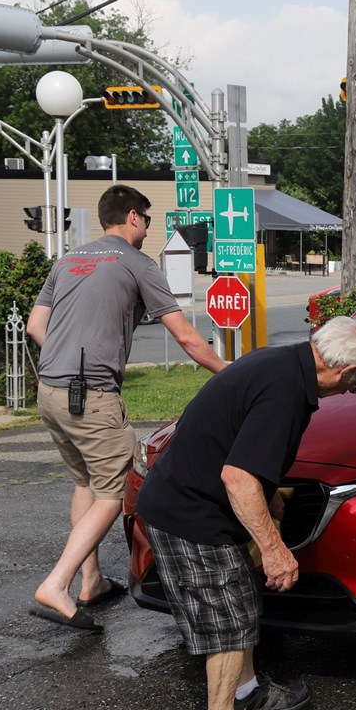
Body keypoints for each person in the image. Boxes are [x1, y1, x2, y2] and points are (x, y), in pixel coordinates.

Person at [134, 316, 356, 710]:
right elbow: (238, 476)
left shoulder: (284, 364)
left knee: (242, 600)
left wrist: (271, 508)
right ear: (346, 372)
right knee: (227, 620)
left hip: (196, 503)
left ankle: (248, 691)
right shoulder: (285, 393)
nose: (352, 392)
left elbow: (246, 456)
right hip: (189, 513)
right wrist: (275, 550)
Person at [28, 184, 226, 632]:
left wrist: (66, 356)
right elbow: (187, 337)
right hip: (90, 395)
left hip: (51, 391)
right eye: (149, 221)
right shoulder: (137, 263)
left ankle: (91, 580)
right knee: (114, 488)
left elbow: (35, 325)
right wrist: (230, 372)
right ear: (133, 217)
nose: (148, 229)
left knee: (85, 481)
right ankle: (57, 583)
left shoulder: (68, 260)